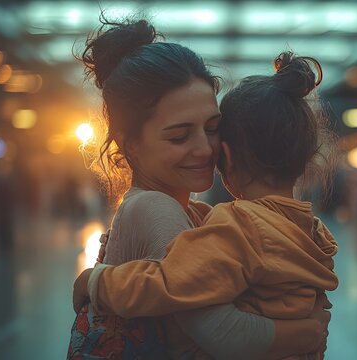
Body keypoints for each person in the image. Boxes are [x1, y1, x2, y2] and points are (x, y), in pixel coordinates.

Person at [67, 18, 329, 360]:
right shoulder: (156, 210)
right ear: (130, 145)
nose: (205, 149)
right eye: (179, 136)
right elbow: (221, 330)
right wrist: (310, 332)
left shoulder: (195, 214)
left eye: (212, 128)